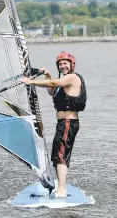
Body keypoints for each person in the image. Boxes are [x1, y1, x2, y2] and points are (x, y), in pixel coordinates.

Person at [21, 51, 86, 198]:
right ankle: (60, 187)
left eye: (65, 63)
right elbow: (52, 90)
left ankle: (62, 189)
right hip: (63, 123)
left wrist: (31, 82)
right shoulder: (63, 80)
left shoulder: (72, 78)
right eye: (60, 64)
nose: (63, 66)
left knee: (61, 155)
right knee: (57, 155)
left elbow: (53, 83)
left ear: (72, 64)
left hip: (69, 122)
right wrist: (47, 74)